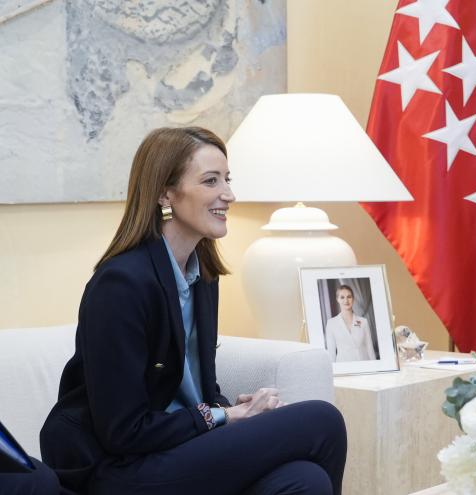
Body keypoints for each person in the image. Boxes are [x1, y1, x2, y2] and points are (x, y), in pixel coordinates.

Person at [39, 127, 347, 495]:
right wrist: (224, 416)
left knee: (303, 480)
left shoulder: (203, 276)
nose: (229, 195)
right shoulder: (121, 285)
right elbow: (123, 431)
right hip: (121, 470)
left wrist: (235, 408)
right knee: (321, 419)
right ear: (165, 193)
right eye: (210, 181)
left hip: (180, 452)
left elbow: (195, 387)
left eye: (227, 180)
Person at [324, 285, 377, 362]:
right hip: (344, 367)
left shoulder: (363, 322)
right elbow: (331, 353)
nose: (346, 301)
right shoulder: (331, 323)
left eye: (349, 297)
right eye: (342, 297)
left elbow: (370, 349)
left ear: (353, 299)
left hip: (364, 364)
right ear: (337, 299)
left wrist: (375, 368)